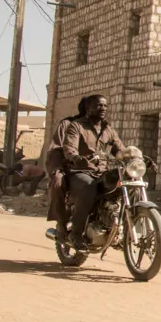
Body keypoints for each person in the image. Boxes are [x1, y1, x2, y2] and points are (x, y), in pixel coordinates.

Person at [62, 95, 125, 251]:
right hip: (81, 171)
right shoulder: (76, 126)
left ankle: (118, 229)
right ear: (88, 108)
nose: (103, 108)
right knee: (89, 187)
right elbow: (69, 148)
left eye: (105, 106)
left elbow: (121, 151)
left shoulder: (108, 129)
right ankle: (76, 234)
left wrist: (137, 157)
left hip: (102, 172)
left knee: (123, 186)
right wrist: (76, 158)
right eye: (98, 105)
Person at [45, 96, 90, 241]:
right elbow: (56, 149)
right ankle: (61, 223)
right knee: (58, 181)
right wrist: (66, 162)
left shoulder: (101, 127)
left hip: (92, 168)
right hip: (68, 166)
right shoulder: (67, 124)